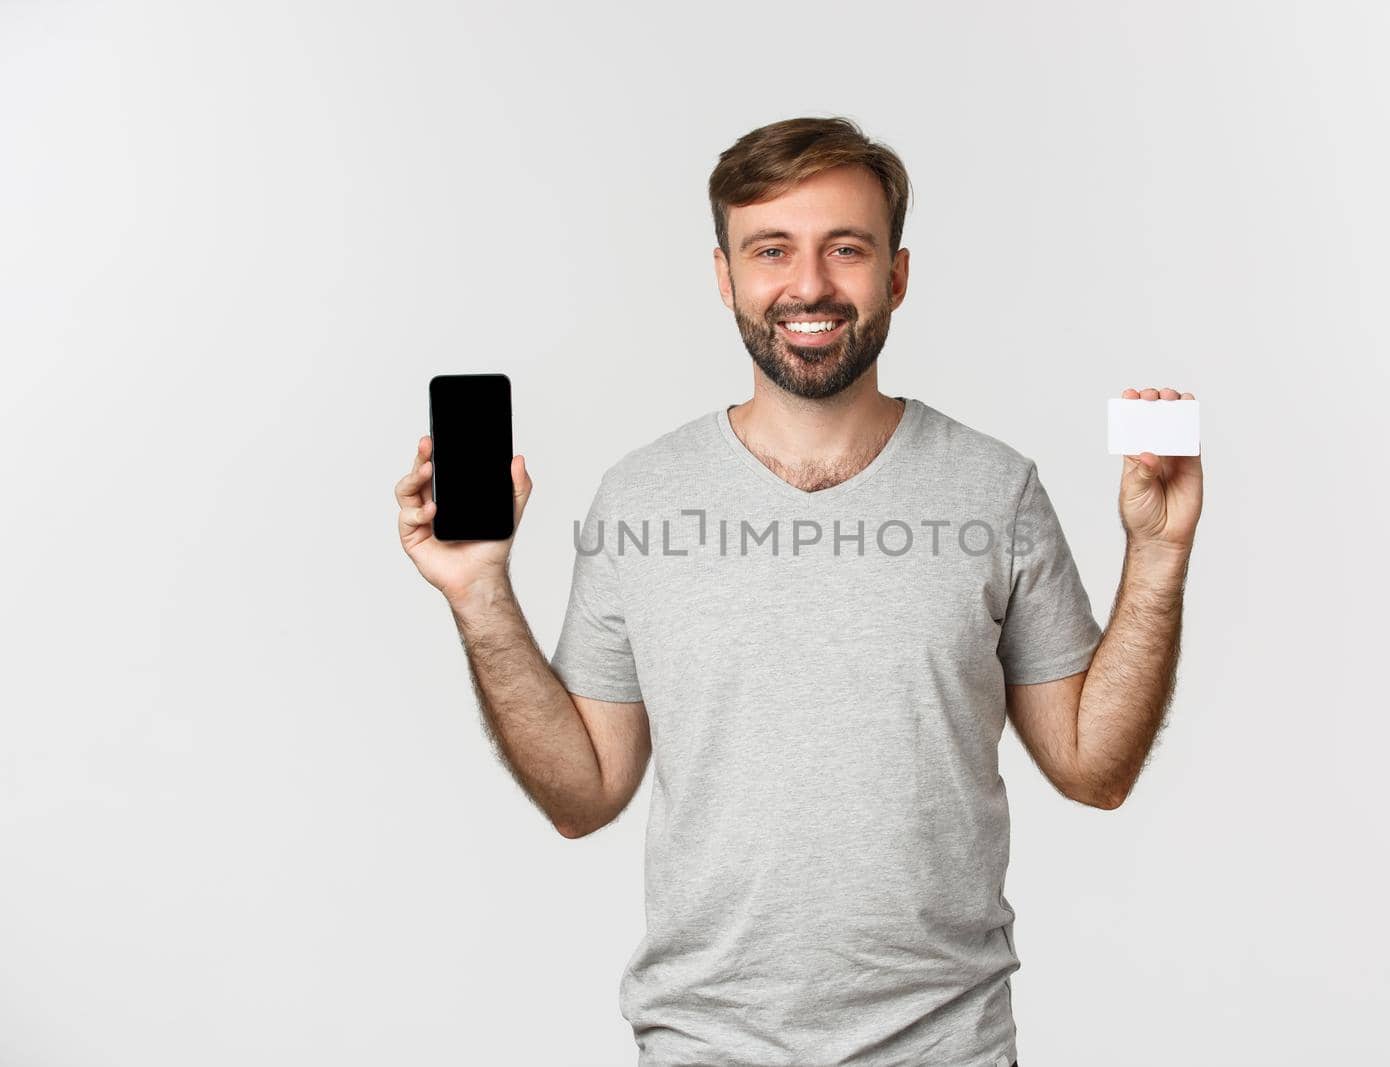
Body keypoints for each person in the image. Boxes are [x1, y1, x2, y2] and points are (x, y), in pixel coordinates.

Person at [394, 115, 1202, 1067]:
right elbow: (584, 793)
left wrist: (1157, 553)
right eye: (771, 250)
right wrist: (480, 590)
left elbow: (1091, 767)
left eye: (846, 249)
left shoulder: (997, 488)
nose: (809, 285)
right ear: (725, 276)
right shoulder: (641, 497)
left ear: (896, 275)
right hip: (704, 1045)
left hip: (946, 1048)